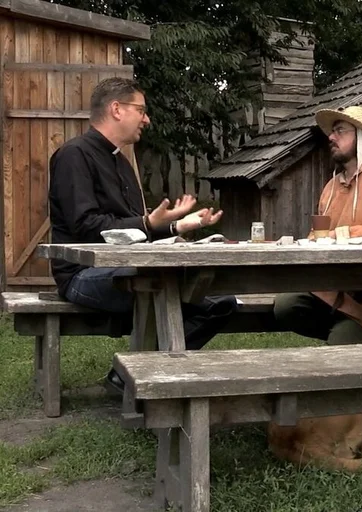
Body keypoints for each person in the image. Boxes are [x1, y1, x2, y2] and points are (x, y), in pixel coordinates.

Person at [48, 77, 238, 394]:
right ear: (117, 109)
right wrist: (149, 223)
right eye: (142, 110)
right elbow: (86, 226)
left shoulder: (122, 161)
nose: (147, 119)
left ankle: (128, 376)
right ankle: (144, 384)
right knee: (170, 288)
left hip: (132, 268)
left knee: (221, 302)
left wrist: (179, 226)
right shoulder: (74, 156)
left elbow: (136, 231)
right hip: (84, 274)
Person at [273, 106, 362, 344]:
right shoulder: (332, 186)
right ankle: (340, 331)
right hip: (327, 284)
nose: (331, 137)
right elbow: (320, 233)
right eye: (332, 132)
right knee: (285, 307)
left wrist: (341, 234)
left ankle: (347, 334)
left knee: (339, 352)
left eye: (340, 131)